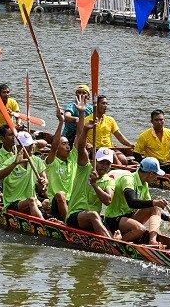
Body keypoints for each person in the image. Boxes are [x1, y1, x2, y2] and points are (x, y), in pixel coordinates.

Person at [65, 94, 121, 237]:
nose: (104, 166)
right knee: (93, 215)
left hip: (92, 217)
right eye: (101, 162)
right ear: (95, 160)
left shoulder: (109, 180)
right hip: (74, 216)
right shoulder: (85, 167)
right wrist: (85, 129)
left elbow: (108, 201)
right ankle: (113, 244)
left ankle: (115, 239)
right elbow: (80, 146)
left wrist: (95, 184)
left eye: (108, 164)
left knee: (99, 217)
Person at [104, 157, 170, 245]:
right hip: (114, 219)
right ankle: (118, 243)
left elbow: (151, 206)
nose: (156, 177)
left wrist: (169, 218)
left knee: (156, 207)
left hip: (129, 217)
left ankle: (153, 241)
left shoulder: (144, 184)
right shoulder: (128, 179)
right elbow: (132, 202)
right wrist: (154, 202)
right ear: (151, 174)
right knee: (140, 229)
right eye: (156, 174)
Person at [0, 131, 48, 219]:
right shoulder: (10, 162)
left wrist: (42, 182)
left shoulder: (37, 160)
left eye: (32, 144)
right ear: (19, 147)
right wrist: (15, 164)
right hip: (13, 201)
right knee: (31, 200)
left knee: (47, 203)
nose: (32, 148)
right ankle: (44, 226)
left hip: (33, 201)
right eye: (28, 145)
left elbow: (44, 184)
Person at [85, 95, 134, 165]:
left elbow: (119, 136)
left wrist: (130, 144)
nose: (105, 106)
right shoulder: (87, 120)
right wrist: (87, 144)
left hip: (110, 148)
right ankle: (122, 172)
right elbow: (81, 136)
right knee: (114, 156)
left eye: (106, 103)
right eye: (103, 103)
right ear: (96, 105)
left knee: (124, 160)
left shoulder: (110, 120)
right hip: (96, 150)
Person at [45, 109, 76, 221]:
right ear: (57, 148)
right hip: (56, 202)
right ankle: (69, 224)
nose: (68, 146)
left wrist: (81, 114)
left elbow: (80, 137)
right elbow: (53, 146)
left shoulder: (73, 159)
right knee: (61, 194)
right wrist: (61, 122)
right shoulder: (52, 162)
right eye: (64, 144)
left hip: (72, 201)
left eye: (68, 144)